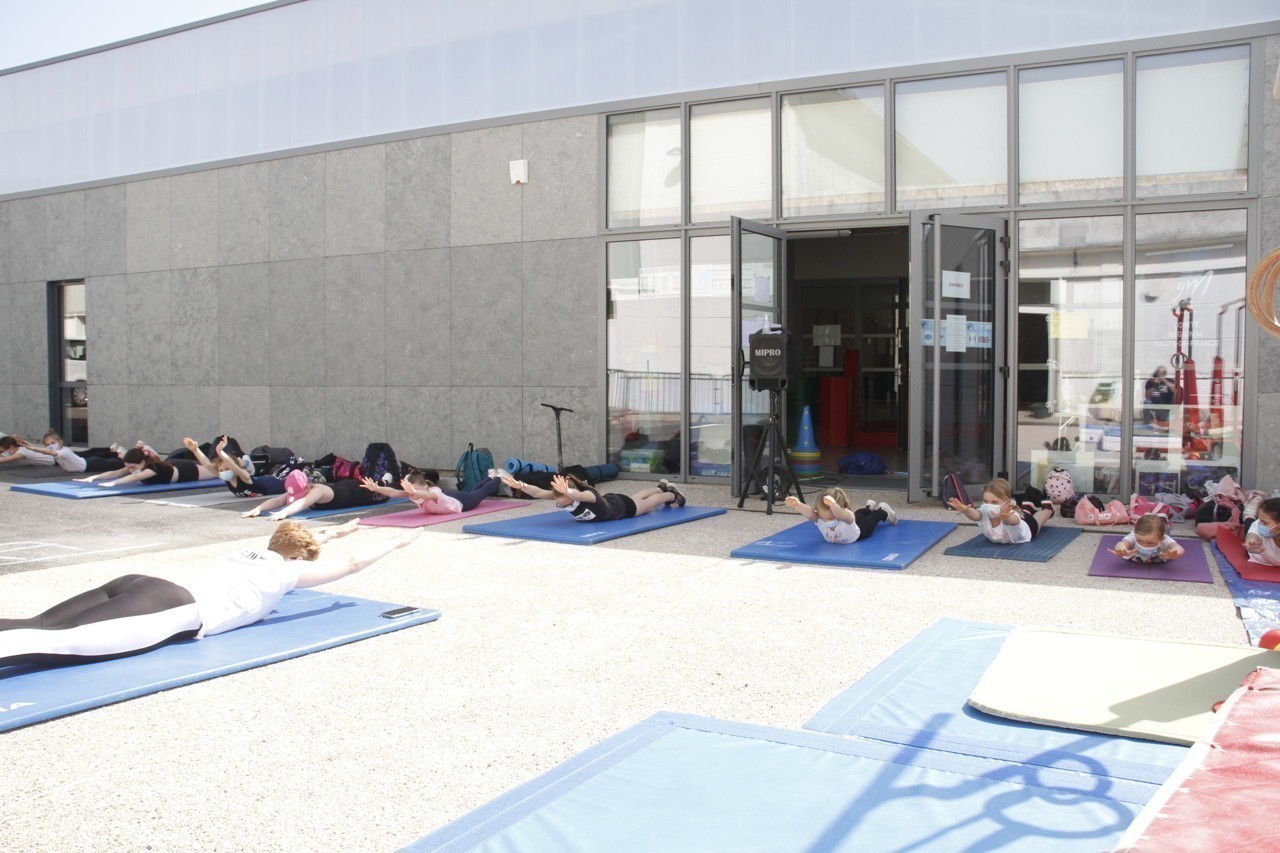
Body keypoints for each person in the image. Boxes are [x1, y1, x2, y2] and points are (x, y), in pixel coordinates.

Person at [0, 521, 420, 669]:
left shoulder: (252, 551)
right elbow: (352, 564)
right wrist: (395, 543)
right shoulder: (288, 571)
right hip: (170, 609)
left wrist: (336, 532)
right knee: (55, 642)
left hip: (138, 584)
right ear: (300, 556)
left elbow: (296, 540)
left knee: (37, 624)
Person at [497, 472, 685, 522]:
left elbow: (578, 494)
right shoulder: (562, 498)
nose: (559, 503)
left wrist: (568, 492)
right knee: (637, 498)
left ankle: (670, 494)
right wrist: (521, 485)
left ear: (569, 495)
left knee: (648, 505)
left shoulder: (586, 495)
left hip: (621, 508)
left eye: (562, 500)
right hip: (612, 500)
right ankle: (659, 487)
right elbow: (538, 492)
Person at [242, 469, 382, 520]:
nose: (298, 496)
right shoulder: (302, 489)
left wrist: (284, 512)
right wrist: (258, 508)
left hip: (359, 493)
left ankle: (386, 479)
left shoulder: (317, 491)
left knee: (382, 488)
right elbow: (278, 500)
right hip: (342, 488)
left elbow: (303, 503)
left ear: (308, 486)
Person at [948, 477, 1054, 544]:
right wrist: (965, 510)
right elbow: (975, 515)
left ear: (1006, 502)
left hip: (1027, 528)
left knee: (1039, 519)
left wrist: (1005, 517)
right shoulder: (984, 512)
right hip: (1012, 517)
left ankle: (1048, 509)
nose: (989, 505)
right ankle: (1027, 508)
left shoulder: (1010, 514)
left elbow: (1011, 520)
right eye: (986, 501)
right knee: (1025, 513)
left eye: (994, 502)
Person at [359, 467, 504, 515]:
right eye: (410, 491)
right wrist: (377, 488)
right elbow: (393, 492)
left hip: (460, 502)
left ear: (424, 486)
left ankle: (500, 477)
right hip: (450, 496)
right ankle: (490, 477)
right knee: (473, 491)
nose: (412, 494)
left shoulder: (433, 491)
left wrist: (414, 492)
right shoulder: (414, 493)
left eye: (415, 490)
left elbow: (427, 495)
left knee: (479, 494)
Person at [181, 436, 284, 498]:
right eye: (221, 470)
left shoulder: (244, 477)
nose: (224, 472)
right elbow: (207, 465)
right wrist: (195, 450)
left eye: (227, 469)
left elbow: (233, 466)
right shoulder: (227, 478)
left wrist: (220, 452)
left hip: (282, 483)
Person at [784, 488, 897, 544]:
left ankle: (885, 511)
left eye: (832, 518)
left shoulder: (844, 516)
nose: (827, 521)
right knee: (859, 513)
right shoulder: (819, 518)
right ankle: (868, 507)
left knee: (873, 518)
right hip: (854, 517)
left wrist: (833, 505)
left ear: (842, 509)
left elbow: (839, 513)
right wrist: (797, 504)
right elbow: (809, 513)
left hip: (861, 531)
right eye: (825, 518)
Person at [74, 447, 216, 487]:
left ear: (142, 463)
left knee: (216, 473)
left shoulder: (151, 469)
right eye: (128, 467)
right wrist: (94, 477)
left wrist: (114, 483)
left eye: (132, 467)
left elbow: (134, 477)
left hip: (187, 470)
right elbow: (115, 473)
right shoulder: (136, 467)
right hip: (173, 465)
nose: (129, 470)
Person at [7, 431, 125, 474]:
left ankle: (126, 455)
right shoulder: (56, 450)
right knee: (114, 462)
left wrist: (31, 448)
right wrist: (25, 443)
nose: (50, 446)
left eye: (53, 443)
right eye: (47, 445)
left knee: (119, 463)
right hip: (88, 463)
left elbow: (43, 451)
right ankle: (120, 455)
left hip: (90, 464)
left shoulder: (64, 452)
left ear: (60, 442)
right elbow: (42, 450)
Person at [1108, 514, 1186, 563]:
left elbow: (1178, 547)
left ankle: (1163, 518)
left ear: (1161, 539)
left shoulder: (1164, 540)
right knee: (1147, 525)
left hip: (1163, 532)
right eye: (1140, 541)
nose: (1144, 546)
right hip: (1139, 532)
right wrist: (1121, 549)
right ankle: (1151, 515)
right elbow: (1121, 543)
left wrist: (1176, 553)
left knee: (1165, 529)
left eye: (1151, 543)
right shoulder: (1134, 536)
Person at [1243, 497, 1280, 567]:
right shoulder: (1259, 525)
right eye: (1259, 520)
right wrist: (1251, 542)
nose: (1259, 524)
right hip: (1259, 555)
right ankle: (1249, 514)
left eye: (1265, 523)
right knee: (1249, 524)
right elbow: (1252, 535)